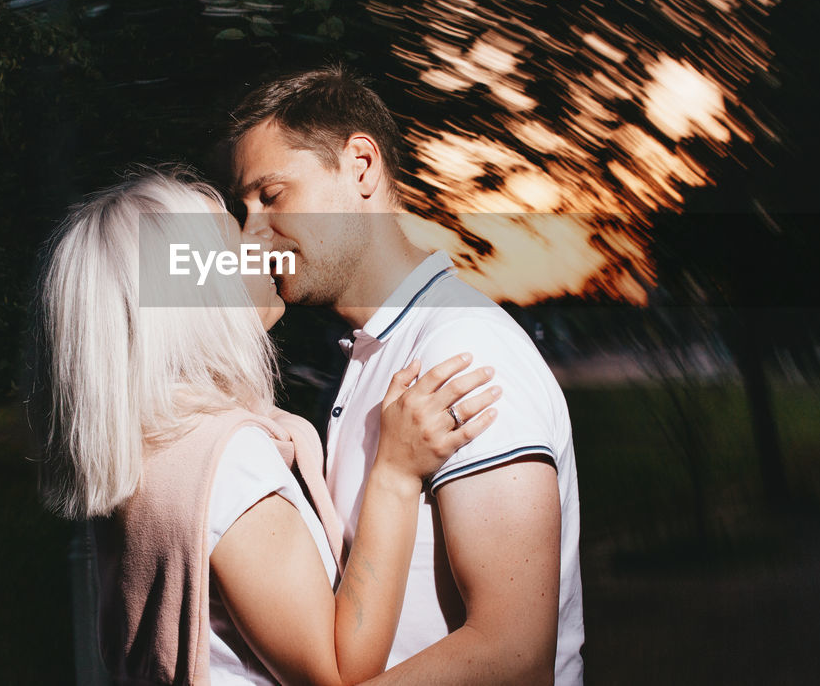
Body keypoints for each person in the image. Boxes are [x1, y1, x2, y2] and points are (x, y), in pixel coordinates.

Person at [30, 168, 500, 685]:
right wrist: (395, 473)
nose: (259, 245)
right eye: (236, 243)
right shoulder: (226, 466)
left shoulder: (147, 446)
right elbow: (341, 672)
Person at [229, 66, 585, 685]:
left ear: (360, 167)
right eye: (244, 206)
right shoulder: (374, 353)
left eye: (271, 196)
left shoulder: (463, 349)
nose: (250, 233)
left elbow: (514, 656)